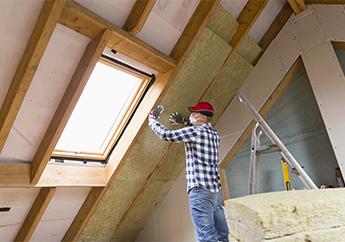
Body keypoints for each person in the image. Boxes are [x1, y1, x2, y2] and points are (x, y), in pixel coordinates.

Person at [148, 101, 229, 242]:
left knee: (206, 237)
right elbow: (196, 136)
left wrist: (152, 119)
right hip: (215, 193)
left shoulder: (195, 132)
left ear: (203, 118)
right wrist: (186, 122)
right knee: (222, 234)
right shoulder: (215, 134)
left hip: (200, 192)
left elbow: (166, 135)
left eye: (194, 113)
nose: (191, 115)